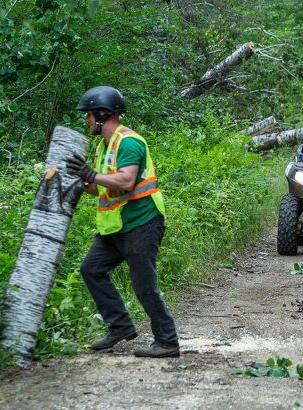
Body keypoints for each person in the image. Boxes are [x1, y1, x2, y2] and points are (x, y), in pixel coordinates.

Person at [66, 86, 180, 358]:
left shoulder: (128, 142)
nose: (87, 120)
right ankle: (119, 326)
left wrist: (91, 175)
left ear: (103, 114)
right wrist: (79, 181)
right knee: (91, 269)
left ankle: (167, 341)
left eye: (90, 115)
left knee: (144, 285)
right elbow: (100, 187)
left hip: (141, 222)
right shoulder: (103, 146)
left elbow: (126, 181)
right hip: (116, 226)